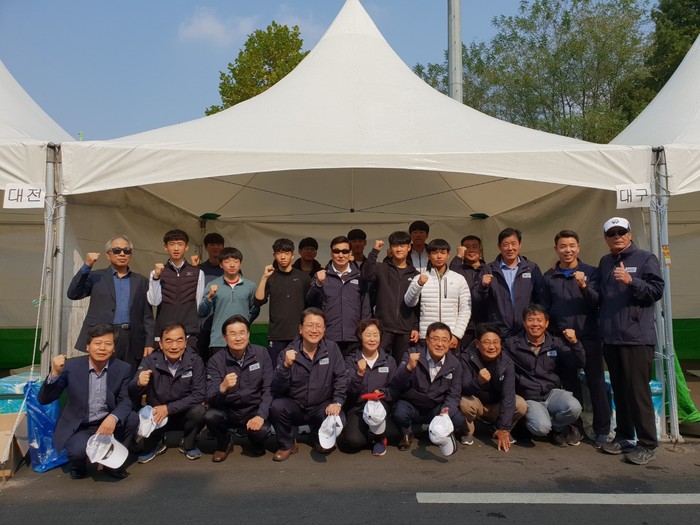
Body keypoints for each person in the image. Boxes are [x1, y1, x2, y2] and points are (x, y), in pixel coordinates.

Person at [596, 217, 664, 465]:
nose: (617, 236)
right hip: (612, 337)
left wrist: (631, 280)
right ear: (606, 238)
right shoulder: (605, 262)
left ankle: (647, 443)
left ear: (630, 234)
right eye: (611, 233)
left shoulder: (646, 258)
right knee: (620, 390)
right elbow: (600, 295)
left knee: (638, 392)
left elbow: (656, 291)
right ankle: (624, 435)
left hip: (637, 338)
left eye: (621, 232)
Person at [38, 325, 138, 480]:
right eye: (97, 343)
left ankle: (111, 463)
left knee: (132, 418)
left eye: (108, 344)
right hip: (80, 426)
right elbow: (45, 399)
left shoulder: (122, 368)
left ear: (114, 349)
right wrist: (55, 373)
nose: (102, 348)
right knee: (77, 450)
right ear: (87, 346)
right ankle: (78, 464)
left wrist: (113, 418)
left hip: (106, 423)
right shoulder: (71, 366)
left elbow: (125, 400)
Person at [541, 229, 610, 447]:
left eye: (572, 246)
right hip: (561, 340)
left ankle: (602, 431)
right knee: (569, 386)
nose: (567, 250)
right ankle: (575, 429)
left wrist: (583, 286)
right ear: (556, 249)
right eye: (563, 246)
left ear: (578, 248)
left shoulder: (591, 272)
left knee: (596, 384)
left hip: (589, 337)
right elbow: (544, 308)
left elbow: (597, 302)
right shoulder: (549, 277)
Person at [269, 308, 348, 461]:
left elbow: (341, 378)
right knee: (277, 406)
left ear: (324, 330)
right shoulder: (287, 352)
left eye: (318, 326)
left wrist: (337, 402)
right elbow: (277, 387)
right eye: (310, 325)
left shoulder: (332, 349)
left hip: (321, 406)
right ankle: (287, 444)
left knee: (339, 418)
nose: (314, 330)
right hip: (296, 406)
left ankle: (317, 435)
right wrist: (285, 366)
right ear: (300, 328)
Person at [67, 235, 154, 373]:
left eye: (127, 251)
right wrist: (87, 265)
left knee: (129, 378)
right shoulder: (96, 276)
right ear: (108, 255)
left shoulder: (141, 281)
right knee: (101, 377)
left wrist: (149, 342)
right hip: (103, 336)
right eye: (117, 250)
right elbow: (73, 293)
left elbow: (147, 315)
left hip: (132, 338)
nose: (122, 254)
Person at [503, 304, 584, 446]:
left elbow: (579, 363)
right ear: (524, 323)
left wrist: (575, 343)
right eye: (531, 320)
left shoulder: (556, 343)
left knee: (574, 407)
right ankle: (527, 424)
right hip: (530, 397)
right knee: (541, 428)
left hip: (552, 393)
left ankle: (556, 429)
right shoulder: (512, 344)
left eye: (539, 320)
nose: (535, 324)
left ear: (546, 324)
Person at [129, 323, 207, 463]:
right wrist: (139, 384)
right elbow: (131, 389)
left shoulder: (195, 360)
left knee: (200, 411)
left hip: (184, 411)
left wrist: (168, 408)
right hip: (157, 414)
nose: (174, 346)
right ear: (161, 343)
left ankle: (188, 443)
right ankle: (157, 442)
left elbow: (199, 394)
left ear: (185, 342)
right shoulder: (149, 360)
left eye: (179, 340)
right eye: (169, 341)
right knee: (143, 419)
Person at [205, 315, 273, 462]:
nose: (238, 338)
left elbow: (269, 389)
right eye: (233, 334)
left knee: (261, 431)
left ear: (248, 334)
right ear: (224, 337)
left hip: (253, 409)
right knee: (210, 416)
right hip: (229, 410)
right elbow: (210, 397)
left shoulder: (261, 353)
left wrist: (260, 415)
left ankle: (256, 442)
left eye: (242, 333)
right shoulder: (215, 361)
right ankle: (224, 443)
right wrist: (222, 388)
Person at [388, 322, 465, 452]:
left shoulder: (455, 364)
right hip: (411, 404)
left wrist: (447, 410)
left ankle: (432, 430)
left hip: (435, 407)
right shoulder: (412, 354)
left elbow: (454, 394)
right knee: (399, 413)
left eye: (444, 340)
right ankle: (407, 432)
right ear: (427, 340)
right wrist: (408, 368)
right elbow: (397, 383)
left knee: (457, 419)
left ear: (449, 343)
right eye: (435, 339)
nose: (440, 344)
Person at [459, 323, 527, 451]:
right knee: (463, 402)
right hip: (476, 404)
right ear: (477, 344)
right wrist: (477, 381)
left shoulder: (506, 362)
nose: (492, 346)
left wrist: (504, 428)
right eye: (487, 342)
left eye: (496, 342)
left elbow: (508, 395)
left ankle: (500, 429)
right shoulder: (466, 358)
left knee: (520, 404)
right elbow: (463, 389)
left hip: (496, 405)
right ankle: (468, 432)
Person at [340, 319, 397, 456]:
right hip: (358, 407)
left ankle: (380, 439)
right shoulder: (350, 360)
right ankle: (370, 434)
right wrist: (359, 374)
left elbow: (395, 388)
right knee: (353, 441)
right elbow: (349, 390)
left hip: (380, 405)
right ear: (360, 337)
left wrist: (382, 393)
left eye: (375, 335)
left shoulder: (389, 360)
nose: (372, 339)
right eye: (368, 335)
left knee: (392, 430)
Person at [472, 227, 544, 336]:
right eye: (505, 244)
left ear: (520, 245)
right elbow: (477, 300)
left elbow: (541, 298)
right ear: (499, 246)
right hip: (499, 331)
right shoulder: (489, 269)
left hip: (526, 330)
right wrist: (482, 286)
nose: (510, 248)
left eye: (514, 244)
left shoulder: (531, 268)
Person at [306, 236, 371, 355]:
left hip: (354, 338)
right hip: (328, 337)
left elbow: (366, 309)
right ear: (331, 254)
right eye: (336, 251)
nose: (341, 255)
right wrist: (318, 284)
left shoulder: (359, 277)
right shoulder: (321, 276)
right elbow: (311, 304)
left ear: (350, 254)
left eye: (345, 251)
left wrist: (364, 333)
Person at [361, 232, 420, 363]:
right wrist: (375, 251)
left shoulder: (415, 275)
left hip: (405, 330)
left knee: (403, 366)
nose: (398, 249)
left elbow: (417, 304)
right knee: (380, 363)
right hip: (383, 328)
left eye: (402, 245)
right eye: (395, 246)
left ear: (409, 247)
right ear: (390, 249)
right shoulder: (381, 268)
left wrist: (415, 327)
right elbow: (366, 275)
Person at [404, 239, 471, 349]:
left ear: (448, 255)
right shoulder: (419, 277)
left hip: (450, 336)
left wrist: (457, 334)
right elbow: (409, 302)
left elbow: (466, 309)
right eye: (435, 253)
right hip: (426, 336)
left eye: (443, 253)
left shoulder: (459, 279)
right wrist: (418, 284)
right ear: (428, 255)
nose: (439, 256)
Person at [254, 238, 311, 366]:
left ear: (293, 255)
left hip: (299, 334)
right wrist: (264, 277)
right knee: (277, 369)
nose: (283, 256)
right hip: (276, 334)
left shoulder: (303, 277)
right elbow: (258, 301)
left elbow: (311, 304)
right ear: (274, 255)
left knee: (299, 370)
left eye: (286, 253)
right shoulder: (270, 277)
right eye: (279, 253)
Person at [147, 229, 205, 350]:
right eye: (172, 244)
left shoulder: (198, 272)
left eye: (180, 244)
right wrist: (156, 277)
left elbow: (199, 304)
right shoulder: (156, 272)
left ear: (186, 247)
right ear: (165, 247)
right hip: (164, 332)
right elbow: (154, 302)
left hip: (189, 332)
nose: (176, 248)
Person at [198, 247, 259, 358]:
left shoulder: (250, 286)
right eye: (227, 261)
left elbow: (255, 308)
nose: (232, 265)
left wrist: (244, 322)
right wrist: (209, 297)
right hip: (219, 340)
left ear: (240, 264)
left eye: (236, 261)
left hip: (241, 339)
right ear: (221, 265)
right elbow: (202, 312)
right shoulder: (213, 285)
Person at [449, 235, 486, 347]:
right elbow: (449, 276)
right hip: (463, 325)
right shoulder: (458, 269)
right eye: (467, 247)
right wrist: (458, 257)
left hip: (484, 322)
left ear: (480, 249)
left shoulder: (487, 269)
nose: (471, 250)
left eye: (474, 246)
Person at [197, 232, 226, 361]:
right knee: (202, 359)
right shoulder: (199, 269)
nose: (216, 247)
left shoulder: (230, 269)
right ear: (206, 247)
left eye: (219, 244)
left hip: (223, 323)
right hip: (203, 323)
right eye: (212, 244)